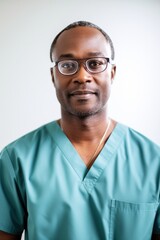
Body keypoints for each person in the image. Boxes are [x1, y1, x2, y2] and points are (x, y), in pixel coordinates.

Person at [0, 20, 160, 240]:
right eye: (67, 65)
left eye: (95, 63)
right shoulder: (17, 159)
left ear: (112, 73)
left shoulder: (153, 160)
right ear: (53, 76)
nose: (82, 76)